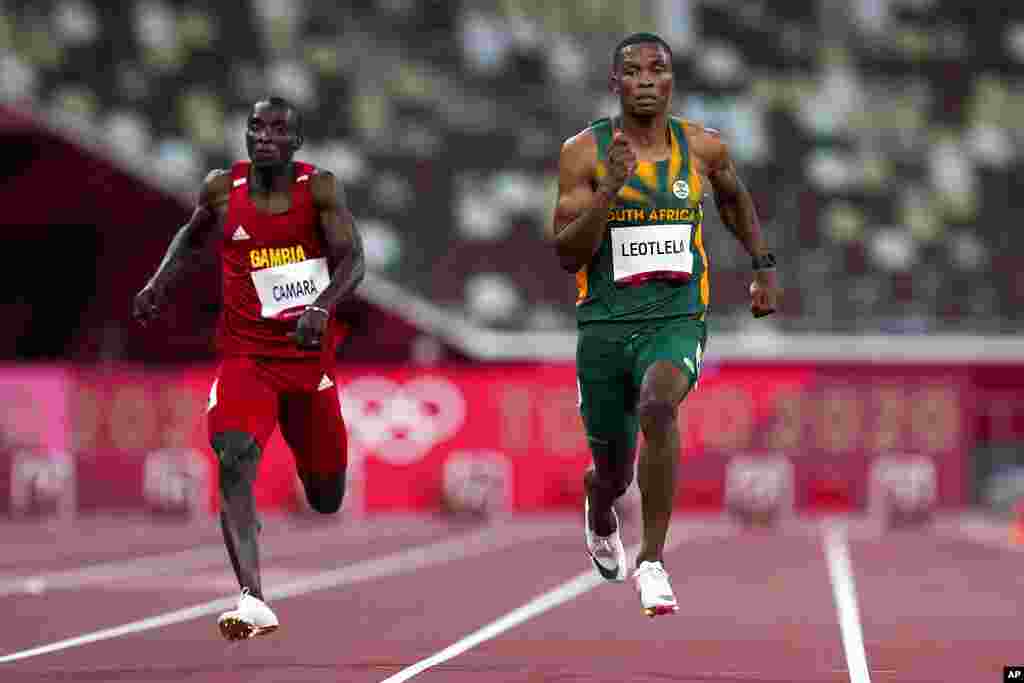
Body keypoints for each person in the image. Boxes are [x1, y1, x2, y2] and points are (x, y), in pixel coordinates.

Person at [547, 33, 781, 617]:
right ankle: (599, 510)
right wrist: (609, 191)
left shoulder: (703, 147)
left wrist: (762, 265)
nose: (646, 80)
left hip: (675, 319)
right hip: (603, 327)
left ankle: (651, 561)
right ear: (615, 83)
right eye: (633, 71)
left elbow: (733, 200)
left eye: (658, 70)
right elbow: (567, 255)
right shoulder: (583, 154)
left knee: (658, 406)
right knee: (613, 473)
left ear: (672, 80)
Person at [133, 97, 365, 639]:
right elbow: (191, 237)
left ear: (296, 142)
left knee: (326, 496)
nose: (263, 137)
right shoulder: (222, 189)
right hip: (247, 357)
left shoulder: (320, 190)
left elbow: (355, 259)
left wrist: (321, 305)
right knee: (233, 456)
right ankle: (253, 598)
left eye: (277, 129)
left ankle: (317, 484)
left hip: (308, 361)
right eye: (255, 127)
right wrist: (157, 283)